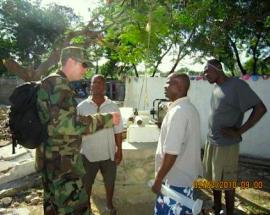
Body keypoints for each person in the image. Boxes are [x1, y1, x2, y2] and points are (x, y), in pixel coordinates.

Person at [36, 46, 120, 215]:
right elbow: (67, 125)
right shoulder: (59, 84)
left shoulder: (51, 82)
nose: (85, 70)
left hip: (52, 161)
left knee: (54, 207)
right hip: (62, 165)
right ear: (72, 62)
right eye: (84, 65)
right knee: (77, 208)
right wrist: (107, 118)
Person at [203, 59, 267, 215]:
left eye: (207, 71)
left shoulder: (237, 85)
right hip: (212, 141)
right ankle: (217, 207)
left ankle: (229, 212)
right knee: (214, 179)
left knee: (227, 182)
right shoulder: (217, 87)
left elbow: (260, 108)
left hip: (226, 145)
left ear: (218, 68)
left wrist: (239, 131)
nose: (204, 75)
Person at [151, 73, 202, 215]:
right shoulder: (189, 108)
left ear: (179, 86)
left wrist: (158, 179)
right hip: (185, 180)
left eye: (168, 83)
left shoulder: (178, 113)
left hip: (174, 182)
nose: (164, 87)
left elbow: (172, 152)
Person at [77, 74, 123, 215]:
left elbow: (118, 130)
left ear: (105, 86)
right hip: (87, 153)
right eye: (94, 82)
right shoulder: (81, 106)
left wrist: (119, 150)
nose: (96, 85)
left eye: (100, 83)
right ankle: (88, 207)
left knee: (110, 182)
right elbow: (76, 130)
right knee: (87, 184)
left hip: (108, 153)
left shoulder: (113, 106)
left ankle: (109, 204)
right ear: (90, 85)